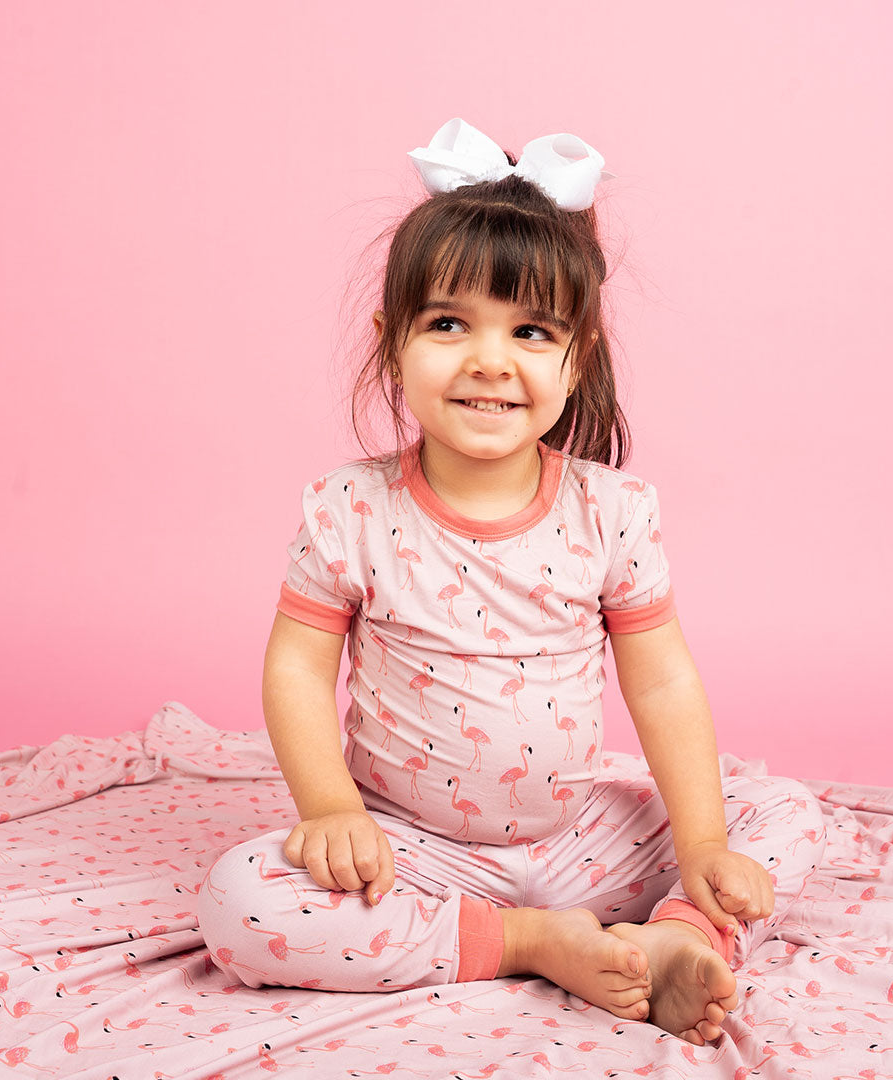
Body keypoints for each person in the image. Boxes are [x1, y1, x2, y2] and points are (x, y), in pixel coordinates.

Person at [197, 117, 826, 1045]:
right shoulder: (350, 508)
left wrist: (698, 848)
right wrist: (331, 812)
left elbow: (660, 680)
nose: (490, 361)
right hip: (415, 854)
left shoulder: (612, 510)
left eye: (531, 332)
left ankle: (678, 936)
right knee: (239, 902)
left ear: (580, 357)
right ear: (392, 341)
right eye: (449, 324)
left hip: (582, 845)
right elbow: (296, 668)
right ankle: (527, 944)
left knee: (782, 812)